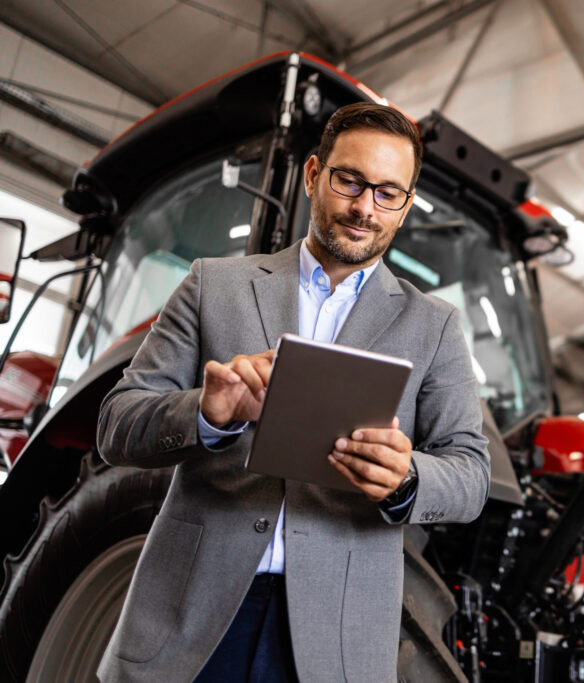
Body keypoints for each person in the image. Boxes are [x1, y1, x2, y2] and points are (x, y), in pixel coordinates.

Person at [95, 102, 490, 682]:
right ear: (313, 176)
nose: (363, 208)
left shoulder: (433, 327)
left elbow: (471, 474)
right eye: (349, 181)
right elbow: (116, 425)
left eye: (387, 193)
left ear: (404, 207)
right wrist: (207, 414)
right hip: (191, 621)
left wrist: (407, 478)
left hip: (335, 638)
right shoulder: (215, 285)